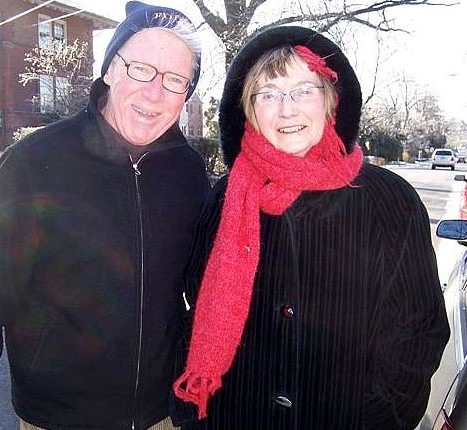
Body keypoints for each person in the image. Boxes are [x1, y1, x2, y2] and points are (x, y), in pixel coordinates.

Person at [0, 2, 210, 429]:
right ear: (110, 69)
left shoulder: (189, 173)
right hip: (59, 420)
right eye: (140, 68)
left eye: (175, 80)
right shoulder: (35, 164)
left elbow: (201, 295)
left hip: (162, 418)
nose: (155, 92)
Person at [172, 25, 450, 430]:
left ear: (330, 101)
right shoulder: (224, 199)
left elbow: (417, 332)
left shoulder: (388, 201)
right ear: (248, 110)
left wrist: (380, 419)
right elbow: (196, 308)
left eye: (304, 90)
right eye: (267, 94)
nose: (287, 110)